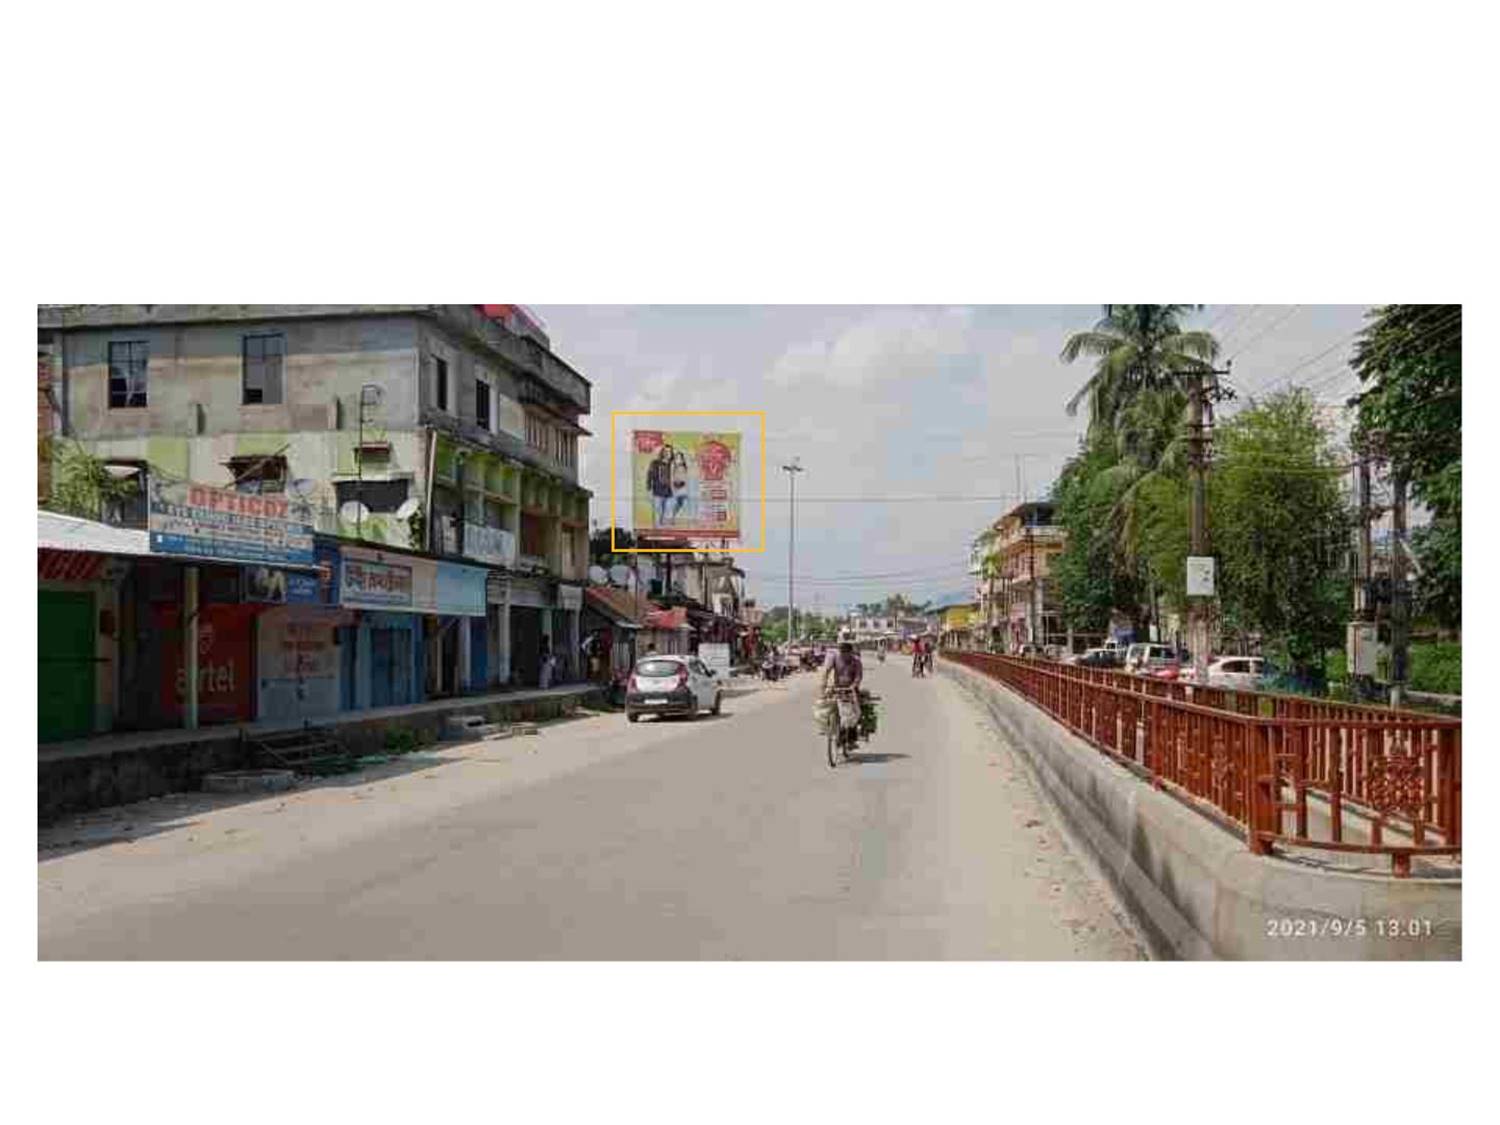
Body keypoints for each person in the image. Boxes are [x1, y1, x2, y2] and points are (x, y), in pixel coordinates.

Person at [646, 444, 675, 526]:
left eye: (669, 452)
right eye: (666, 451)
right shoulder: (655, 463)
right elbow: (649, 475)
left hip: (669, 492)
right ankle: (657, 530)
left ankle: (665, 530)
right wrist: (648, 488)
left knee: (667, 514)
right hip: (657, 491)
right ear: (662, 452)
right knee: (658, 514)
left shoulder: (673, 464)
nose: (667, 453)